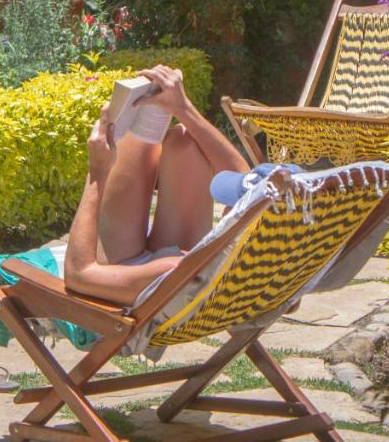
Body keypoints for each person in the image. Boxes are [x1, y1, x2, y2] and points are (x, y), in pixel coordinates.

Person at [64, 64, 251, 306]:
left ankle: (146, 111)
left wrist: (98, 171)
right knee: (185, 139)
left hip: (132, 275)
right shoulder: (242, 262)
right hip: (178, 255)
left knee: (121, 133)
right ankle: (161, 106)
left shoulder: (176, 270)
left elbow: (77, 274)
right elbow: (245, 182)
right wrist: (182, 107)